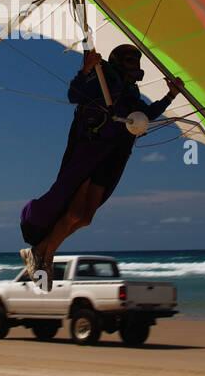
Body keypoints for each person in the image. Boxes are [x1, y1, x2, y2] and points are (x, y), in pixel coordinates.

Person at [19, 44, 183, 290]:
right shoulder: (104, 78)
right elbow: (74, 95)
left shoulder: (130, 91)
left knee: (85, 218)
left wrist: (171, 95)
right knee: (73, 211)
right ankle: (45, 255)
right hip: (91, 150)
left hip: (114, 156)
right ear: (117, 60)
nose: (134, 65)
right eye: (129, 59)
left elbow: (144, 115)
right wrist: (85, 70)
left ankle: (40, 252)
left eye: (136, 61)